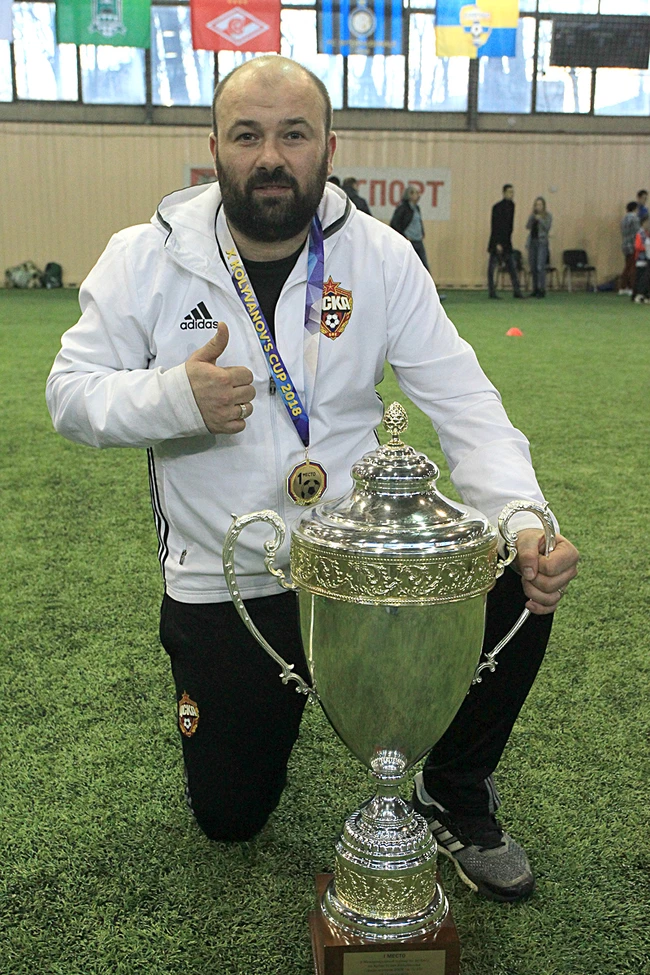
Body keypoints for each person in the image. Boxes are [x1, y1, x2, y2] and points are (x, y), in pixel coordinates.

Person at [46, 56, 578, 904]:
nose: (270, 157)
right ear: (213, 148)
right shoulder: (143, 258)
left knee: (525, 562)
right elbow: (69, 395)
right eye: (247, 135)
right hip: (229, 575)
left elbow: (466, 402)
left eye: (293, 135)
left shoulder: (380, 256)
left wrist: (523, 516)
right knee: (230, 816)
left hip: (359, 563)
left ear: (329, 148)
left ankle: (453, 790)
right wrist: (173, 397)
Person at [487, 184, 524, 300]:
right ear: (504, 193)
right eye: (509, 192)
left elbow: (509, 227)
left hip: (507, 242)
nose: (511, 194)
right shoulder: (497, 207)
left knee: (512, 267)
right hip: (496, 241)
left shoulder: (512, 206)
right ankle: (492, 292)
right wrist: (497, 243)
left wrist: (506, 241)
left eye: (512, 192)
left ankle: (517, 291)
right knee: (492, 268)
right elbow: (495, 226)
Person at [390, 185, 429, 270]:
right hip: (409, 241)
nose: (418, 195)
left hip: (418, 240)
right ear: (409, 195)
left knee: (424, 267)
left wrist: (422, 232)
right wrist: (403, 236)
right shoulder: (402, 208)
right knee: (407, 266)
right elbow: (394, 224)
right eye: (416, 193)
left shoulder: (417, 208)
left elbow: (418, 222)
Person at [526, 197, 552, 298]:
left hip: (542, 243)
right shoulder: (533, 215)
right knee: (533, 267)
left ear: (544, 206)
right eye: (536, 204)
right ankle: (535, 289)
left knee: (540, 267)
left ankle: (542, 289)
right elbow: (527, 226)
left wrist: (540, 219)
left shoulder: (548, 216)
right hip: (532, 242)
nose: (538, 206)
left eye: (540, 204)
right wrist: (532, 218)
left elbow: (547, 227)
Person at [619, 201, 639, 297]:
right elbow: (637, 232)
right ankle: (630, 287)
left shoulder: (623, 219)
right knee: (632, 267)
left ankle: (623, 287)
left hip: (625, 244)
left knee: (627, 266)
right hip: (632, 244)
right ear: (635, 209)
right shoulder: (635, 218)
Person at [631, 213, 650, 303]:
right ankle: (637, 295)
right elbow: (637, 246)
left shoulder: (647, 233)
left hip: (647, 258)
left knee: (645, 278)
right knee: (640, 278)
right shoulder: (640, 233)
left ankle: (645, 295)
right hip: (641, 259)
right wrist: (645, 247)